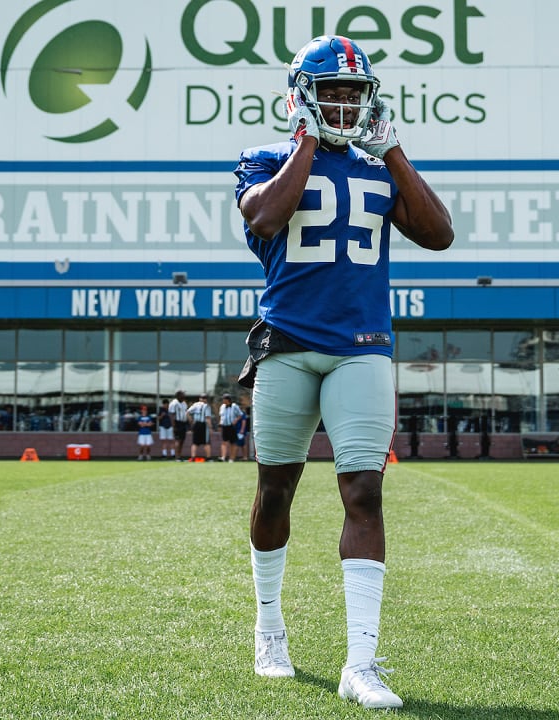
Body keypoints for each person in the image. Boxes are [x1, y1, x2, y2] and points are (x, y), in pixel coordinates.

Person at [233, 35, 453, 709]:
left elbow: (440, 233)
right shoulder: (265, 158)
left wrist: (392, 151)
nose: (343, 100)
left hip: (362, 345)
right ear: (301, 92)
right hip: (290, 345)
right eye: (330, 88)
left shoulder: (378, 165)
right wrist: (305, 142)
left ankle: (363, 662)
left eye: (353, 91)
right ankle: (270, 630)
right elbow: (266, 217)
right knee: (276, 493)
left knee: (364, 493)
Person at [187, 393, 214, 461]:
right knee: (206, 442)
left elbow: (187, 412)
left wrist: (192, 421)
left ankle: (193, 457)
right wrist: (210, 427)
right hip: (203, 425)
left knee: (195, 442)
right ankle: (208, 457)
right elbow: (207, 418)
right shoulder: (206, 406)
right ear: (206, 399)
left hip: (196, 424)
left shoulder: (195, 405)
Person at [218, 393, 244, 462]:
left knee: (233, 442)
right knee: (224, 442)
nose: (223, 401)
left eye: (224, 399)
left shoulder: (234, 406)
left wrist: (235, 420)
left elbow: (240, 414)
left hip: (231, 426)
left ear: (228, 400)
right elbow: (221, 416)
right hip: (224, 426)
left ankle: (232, 458)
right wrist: (220, 423)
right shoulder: (222, 406)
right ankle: (223, 457)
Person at [169, 391, 190, 461]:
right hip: (177, 423)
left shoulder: (184, 403)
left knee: (182, 440)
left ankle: (180, 455)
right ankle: (176, 456)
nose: (184, 396)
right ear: (178, 396)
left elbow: (186, 412)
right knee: (178, 440)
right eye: (182, 395)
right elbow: (172, 415)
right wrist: (174, 426)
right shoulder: (174, 403)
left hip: (183, 423)